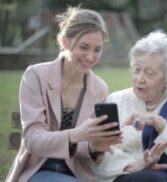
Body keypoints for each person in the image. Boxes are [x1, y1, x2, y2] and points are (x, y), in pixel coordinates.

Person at [5, 7, 122, 182]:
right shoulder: (36, 76)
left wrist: (93, 146)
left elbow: (83, 151)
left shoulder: (99, 88)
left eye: (97, 49)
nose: (90, 56)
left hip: (77, 175)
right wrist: (76, 134)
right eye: (84, 47)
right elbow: (32, 139)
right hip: (37, 170)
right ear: (65, 41)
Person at [94, 31, 167, 182]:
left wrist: (159, 124)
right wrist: (134, 165)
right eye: (136, 70)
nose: (139, 79)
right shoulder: (115, 100)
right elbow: (99, 154)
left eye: (149, 73)